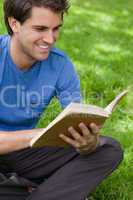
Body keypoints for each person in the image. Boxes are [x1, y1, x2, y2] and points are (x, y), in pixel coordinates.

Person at [0, 0, 123, 200]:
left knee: (108, 149)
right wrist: (42, 134)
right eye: (40, 29)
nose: (50, 39)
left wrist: (87, 143)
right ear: (14, 24)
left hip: (24, 154)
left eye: (56, 29)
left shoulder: (60, 65)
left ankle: (26, 191)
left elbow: (78, 119)